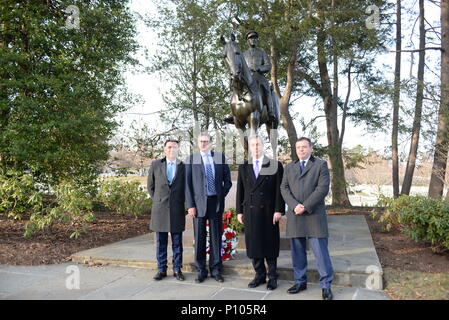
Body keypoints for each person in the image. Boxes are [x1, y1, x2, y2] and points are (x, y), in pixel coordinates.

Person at [280, 137, 334, 300]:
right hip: (295, 214)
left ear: (311, 148)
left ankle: (326, 286)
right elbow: (284, 187)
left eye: (304, 147)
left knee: (321, 253)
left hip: (314, 214)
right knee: (297, 252)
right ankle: (300, 282)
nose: (301, 150)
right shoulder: (289, 167)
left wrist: (305, 206)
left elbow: (322, 188)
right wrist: (294, 205)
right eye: (298, 148)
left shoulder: (320, 165)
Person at [236, 135, 285, 290]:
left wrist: (279, 209)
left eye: (258, 144)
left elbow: (280, 190)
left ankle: (272, 277)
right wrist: (239, 211)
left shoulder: (275, 165)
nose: (255, 147)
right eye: (252, 145)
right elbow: (240, 191)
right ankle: (259, 275)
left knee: (269, 245)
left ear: (263, 146)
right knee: (254, 245)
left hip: (269, 212)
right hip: (250, 212)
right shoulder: (244, 167)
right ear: (249, 148)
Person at [185, 132, 232, 283]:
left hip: (215, 203)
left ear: (211, 143)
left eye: (206, 141)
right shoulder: (191, 159)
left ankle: (216, 269)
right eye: (201, 142)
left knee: (216, 237)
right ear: (197, 143)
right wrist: (190, 205)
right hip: (198, 206)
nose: (203, 144)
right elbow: (187, 186)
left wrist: (220, 195)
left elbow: (228, 181)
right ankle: (201, 269)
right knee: (199, 238)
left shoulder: (219, 157)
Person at [147, 139, 186, 281]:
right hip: (160, 209)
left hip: (177, 208)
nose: (172, 150)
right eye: (169, 147)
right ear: (164, 149)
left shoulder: (183, 166)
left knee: (177, 242)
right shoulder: (156, 165)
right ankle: (161, 269)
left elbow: (186, 188)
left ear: (178, 150)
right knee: (161, 242)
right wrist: (158, 200)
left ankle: (177, 269)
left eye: (175, 147)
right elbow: (150, 187)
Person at [224, 30, 276, 124]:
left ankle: (270, 111)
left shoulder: (261, 52)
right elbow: (239, 65)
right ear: (247, 41)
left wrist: (260, 68)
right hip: (247, 76)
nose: (253, 40)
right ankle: (232, 113)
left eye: (254, 38)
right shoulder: (243, 54)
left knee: (267, 89)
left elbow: (268, 65)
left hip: (259, 76)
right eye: (250, 38)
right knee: (235, 87)